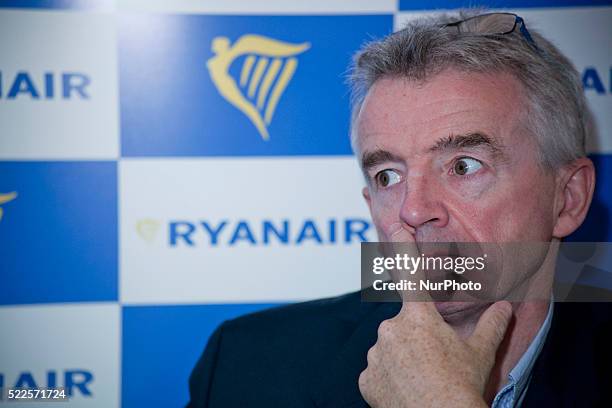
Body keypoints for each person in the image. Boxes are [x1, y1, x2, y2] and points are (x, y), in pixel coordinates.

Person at [187, 10, 612, 407]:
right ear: (370, 204)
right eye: (388, 176)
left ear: (568, 197)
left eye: (464, 166)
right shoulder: (246, 366)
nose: (412, 210)